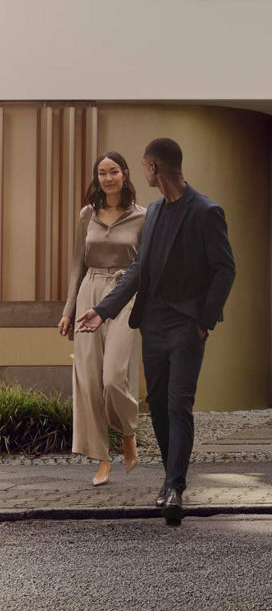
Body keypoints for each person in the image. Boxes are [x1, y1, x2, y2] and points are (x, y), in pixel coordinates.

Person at [78, 138, 235, 525]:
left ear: (153, 169)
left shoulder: (206, 211)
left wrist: (204, 321)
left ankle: (175, 487)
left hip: (186, 326)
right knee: (160, 405)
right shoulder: (156, 214)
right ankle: (170, 479)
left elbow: (224, 269)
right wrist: (102, 310)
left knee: (179, 404)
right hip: (153, 325)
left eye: (144, 166)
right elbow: (139, 270)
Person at [59, 152, 145, 486]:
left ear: (125, 174)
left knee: (112, 377)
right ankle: (102, 459)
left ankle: (126, 433)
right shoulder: (87, 215)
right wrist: (68, 311)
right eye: (102, 173)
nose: (107, 178)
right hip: (88, 294)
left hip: (125, 296)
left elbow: (146, 266)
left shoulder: (143, 216)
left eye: (113, 172)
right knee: (89, 382)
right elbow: (76, 265)